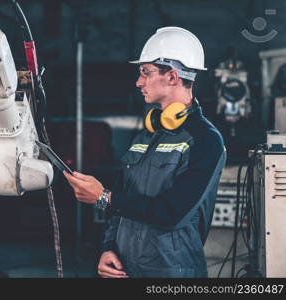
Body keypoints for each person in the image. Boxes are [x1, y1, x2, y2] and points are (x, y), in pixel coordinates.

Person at [64, 27, 226, 278]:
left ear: (172, 77)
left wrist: (104, 196)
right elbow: (122, 200)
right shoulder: (147, 134)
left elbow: (172, 213)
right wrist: (108, 247)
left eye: (146, 72)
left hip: (172, 272)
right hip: (125, 267)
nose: (138, 82)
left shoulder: (206, 140)